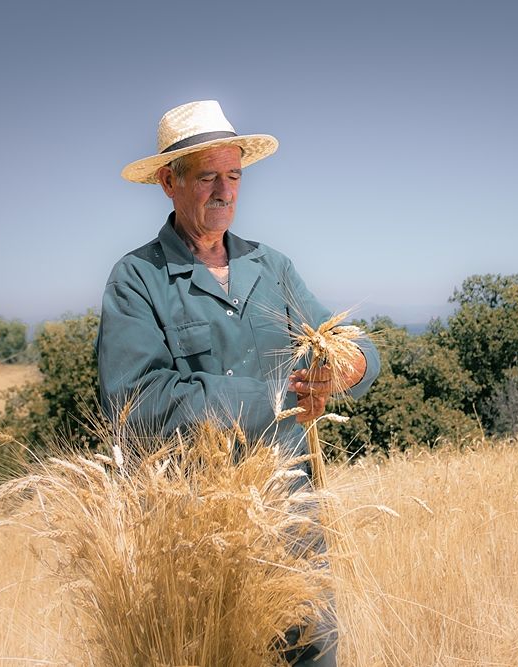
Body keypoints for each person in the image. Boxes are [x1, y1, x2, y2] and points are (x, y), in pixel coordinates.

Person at [97, 99, 381, 666]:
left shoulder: (271, 266)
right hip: (195, 530)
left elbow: (350, 342)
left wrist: (346, 368)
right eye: (207, 177)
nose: (225, 191)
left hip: (291, 517)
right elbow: (139, 404)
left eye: (234, 175)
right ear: (167, 182)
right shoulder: (137, 279)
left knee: (310, 654)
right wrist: (282, 398)